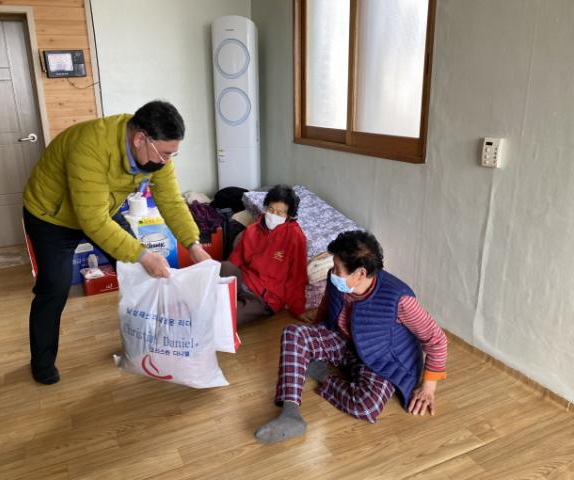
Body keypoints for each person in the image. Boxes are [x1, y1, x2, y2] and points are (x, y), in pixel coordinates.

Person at [23, 100, 211, 385]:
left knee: (141, 273)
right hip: (51, 215)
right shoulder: (91, 146)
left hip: (101, 210)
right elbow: (93, 221)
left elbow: (172, 201)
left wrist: (193, 245)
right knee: (55, 288)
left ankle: (146, 344)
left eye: (173, 154)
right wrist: (144, 254)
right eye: (165, 153)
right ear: (139, 139)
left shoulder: (157, 157)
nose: (167, 161)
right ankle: (42, 361)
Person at [254, 230, 448, 444]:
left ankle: (322, 374)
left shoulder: (399, 298)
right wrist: (313, 341)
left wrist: (428, 387)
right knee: (294, 333)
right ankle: (290, 414)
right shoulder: (338, 280)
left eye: (338, 269)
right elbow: (327, 306)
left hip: (380, 360)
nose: (333, 272)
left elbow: (437, 340)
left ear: (361, 273)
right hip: (344, 341)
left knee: (367, 406)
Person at [220, 185, 308, 325]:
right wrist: (226, 279)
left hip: (265, 297)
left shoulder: (295, 237)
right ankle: (217, 299)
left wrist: (298, 308)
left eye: (280, 213)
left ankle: (225, 305)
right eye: (271, 210)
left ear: (289, 216)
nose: (273, 215)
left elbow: (297, 276)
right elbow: (235, 259)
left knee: (227, 317)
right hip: (244, 279)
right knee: (223, 267)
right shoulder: (253, 229)